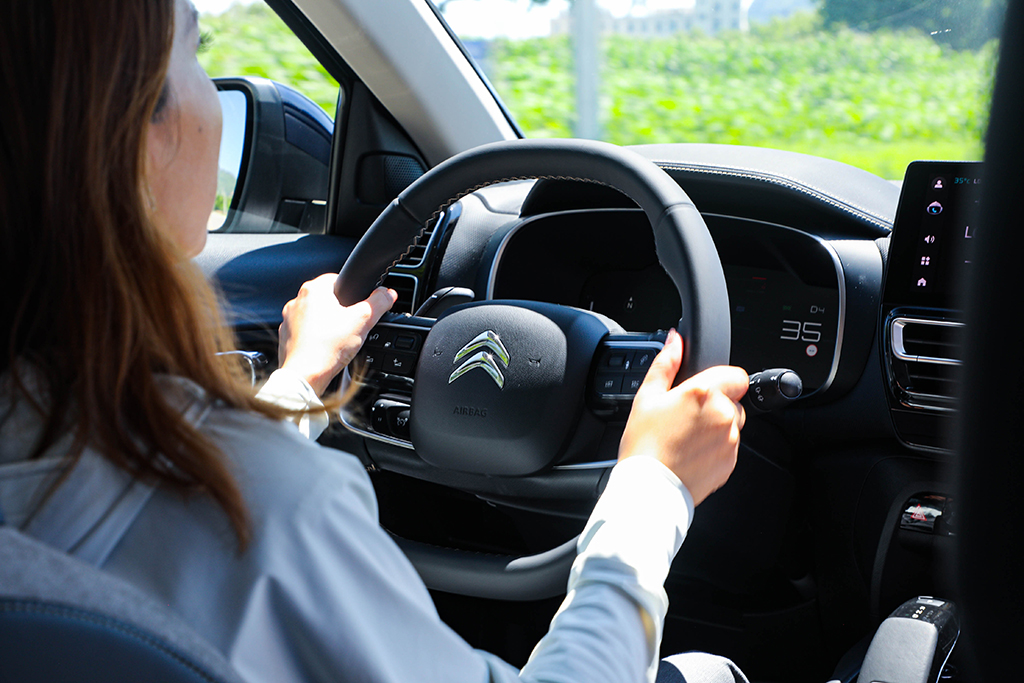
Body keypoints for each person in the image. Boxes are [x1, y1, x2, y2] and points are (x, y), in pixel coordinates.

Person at [0, 1, 750, 682]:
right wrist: (655, 485)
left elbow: (173, 517)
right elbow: (223, 515)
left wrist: (298, 381)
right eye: (195, 50)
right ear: (136, 131)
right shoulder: (276, 508)